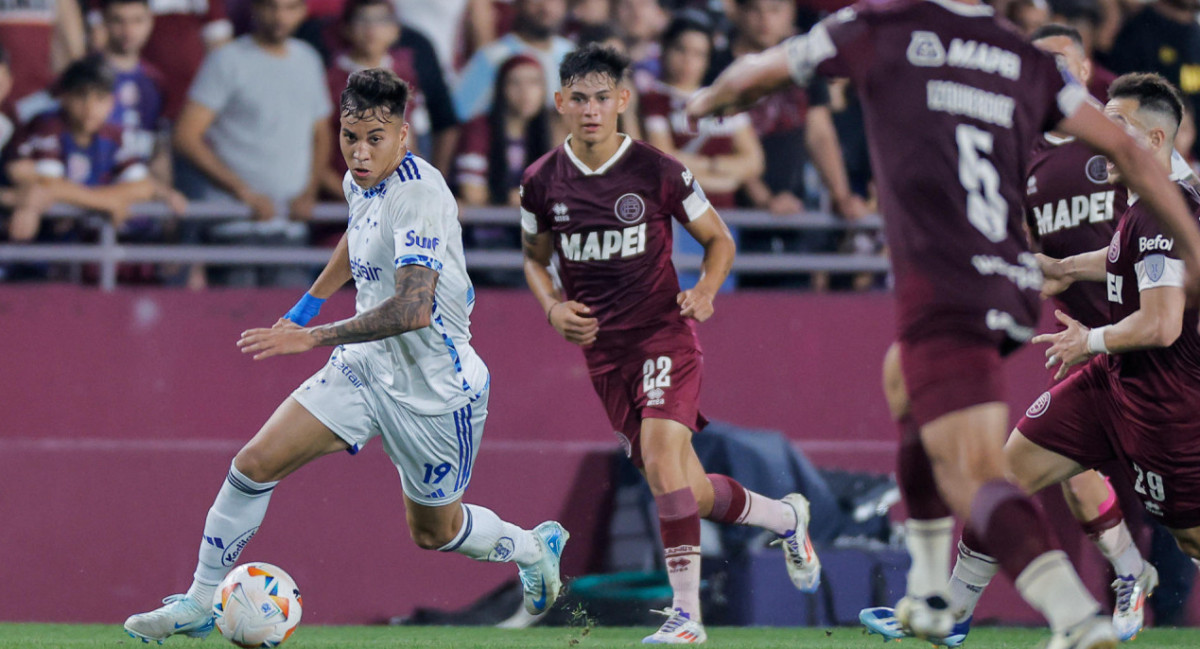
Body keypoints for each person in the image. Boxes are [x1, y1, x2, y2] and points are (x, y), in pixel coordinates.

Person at [687, 2, 1200, 647]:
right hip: (1018, 291)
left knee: (979, 475)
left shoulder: (879, 27)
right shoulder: (1019, 57)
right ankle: (937, 597)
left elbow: (765, 71)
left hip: (965, 289)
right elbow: (1124, 149)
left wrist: (709, 100)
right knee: (914, 391)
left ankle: (1073, 614)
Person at [122, 68, 568, 644]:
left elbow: (414, 309)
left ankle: (533, 547)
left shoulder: (422, 197)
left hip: (434, 392)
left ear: (403, 135)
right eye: (349, 136)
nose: (359, 152)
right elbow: (358, 235)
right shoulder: (363, 179)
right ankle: (199, 602)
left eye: (374, 139)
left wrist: (309, 338)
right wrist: (306, 308)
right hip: (363, 367)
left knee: (434, 532)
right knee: (254, 464)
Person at [859, 25, 1156, 645]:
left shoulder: (1115, 137)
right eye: (1041, 63)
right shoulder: (1011, 151)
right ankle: (961, 608)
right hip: (1083, 339)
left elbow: (1165, 219)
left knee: (1185, 518)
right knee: (1023, 470)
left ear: (1084, 65)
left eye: (1063, 62)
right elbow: (1010, 239)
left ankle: (1124, 573)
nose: (1053, 74)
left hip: (1157, 337)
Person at [521, 44, 820, 645]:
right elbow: (534, 258)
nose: (590, 109)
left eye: (602, 97)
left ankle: (687, 617)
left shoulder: (658, 170)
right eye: (578, 98)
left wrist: (706, 290)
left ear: (622, 102)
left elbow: (719, 240)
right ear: (560, 103)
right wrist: (553, 307)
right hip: (604, 355)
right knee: (687, 486)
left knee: (661, 459)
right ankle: (786, 518)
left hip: (663, 335)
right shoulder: (540, 182)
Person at [1012, 67, 1200, 610]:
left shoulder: (1165, 205)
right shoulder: (1145, 200)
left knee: (1189, 533)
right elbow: (1123, 257)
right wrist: (1066, 268)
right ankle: (948, 604)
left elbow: (1162, 323)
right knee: (1022, 466)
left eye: (1117, 123)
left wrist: (1090, 339)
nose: (1107, 135)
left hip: (1168, 380)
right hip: (1127, 369)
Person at [173, 0, 331, 286]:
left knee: (289, 328)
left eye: (290, 7)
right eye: (272, 7)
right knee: (235, 330)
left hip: (290, 230)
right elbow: (186, 136)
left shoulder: (308, 59)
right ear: (255, 9)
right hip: (233, 226)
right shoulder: (227, 60)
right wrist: (243, 193)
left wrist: (310, 191)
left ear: (303, 12)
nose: (280, 17)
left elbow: (321, 133)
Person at [4, 56, 157, 242]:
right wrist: (106, 202)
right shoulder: (47, 125)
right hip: (36, 247)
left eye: (100, 98)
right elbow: (46, 184)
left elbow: (143, 187)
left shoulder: (113, 135)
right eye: (81, 95)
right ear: (65, 97)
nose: (90, 107)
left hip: (81, 248)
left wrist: (88, 199)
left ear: (111, 102)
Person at [321, 0, 459, 193]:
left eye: (381, 20)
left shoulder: (408, 70)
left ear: (396, 30)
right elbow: (319, 144)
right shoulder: (331, 79)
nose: (372, 29)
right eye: (363, 20)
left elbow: (416, 136)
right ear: (347, 28)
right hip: (350, 194)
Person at [640, 14, 765, 209]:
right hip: (675, 216)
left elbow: (754, 161)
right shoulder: (652, 99)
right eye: (681, 50)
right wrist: (725, 179)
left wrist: (706, 166)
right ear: (665, 48)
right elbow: (664, 161)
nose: (688, 61)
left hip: (724, 217)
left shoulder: (725, 98)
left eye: (699, 54)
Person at [453, 0, 576, 123]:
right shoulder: (494, 57)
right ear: (518, 4)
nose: (546, 7)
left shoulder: (573, 53)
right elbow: (461, 115)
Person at [456, 54, 555, 207]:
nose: (525, 91)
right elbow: (472, 192)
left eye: (534, 83)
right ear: (501, 88)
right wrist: (513, 197)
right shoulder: (479, 129)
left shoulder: (549, 131)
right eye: (515, 83)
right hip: (483, 226)